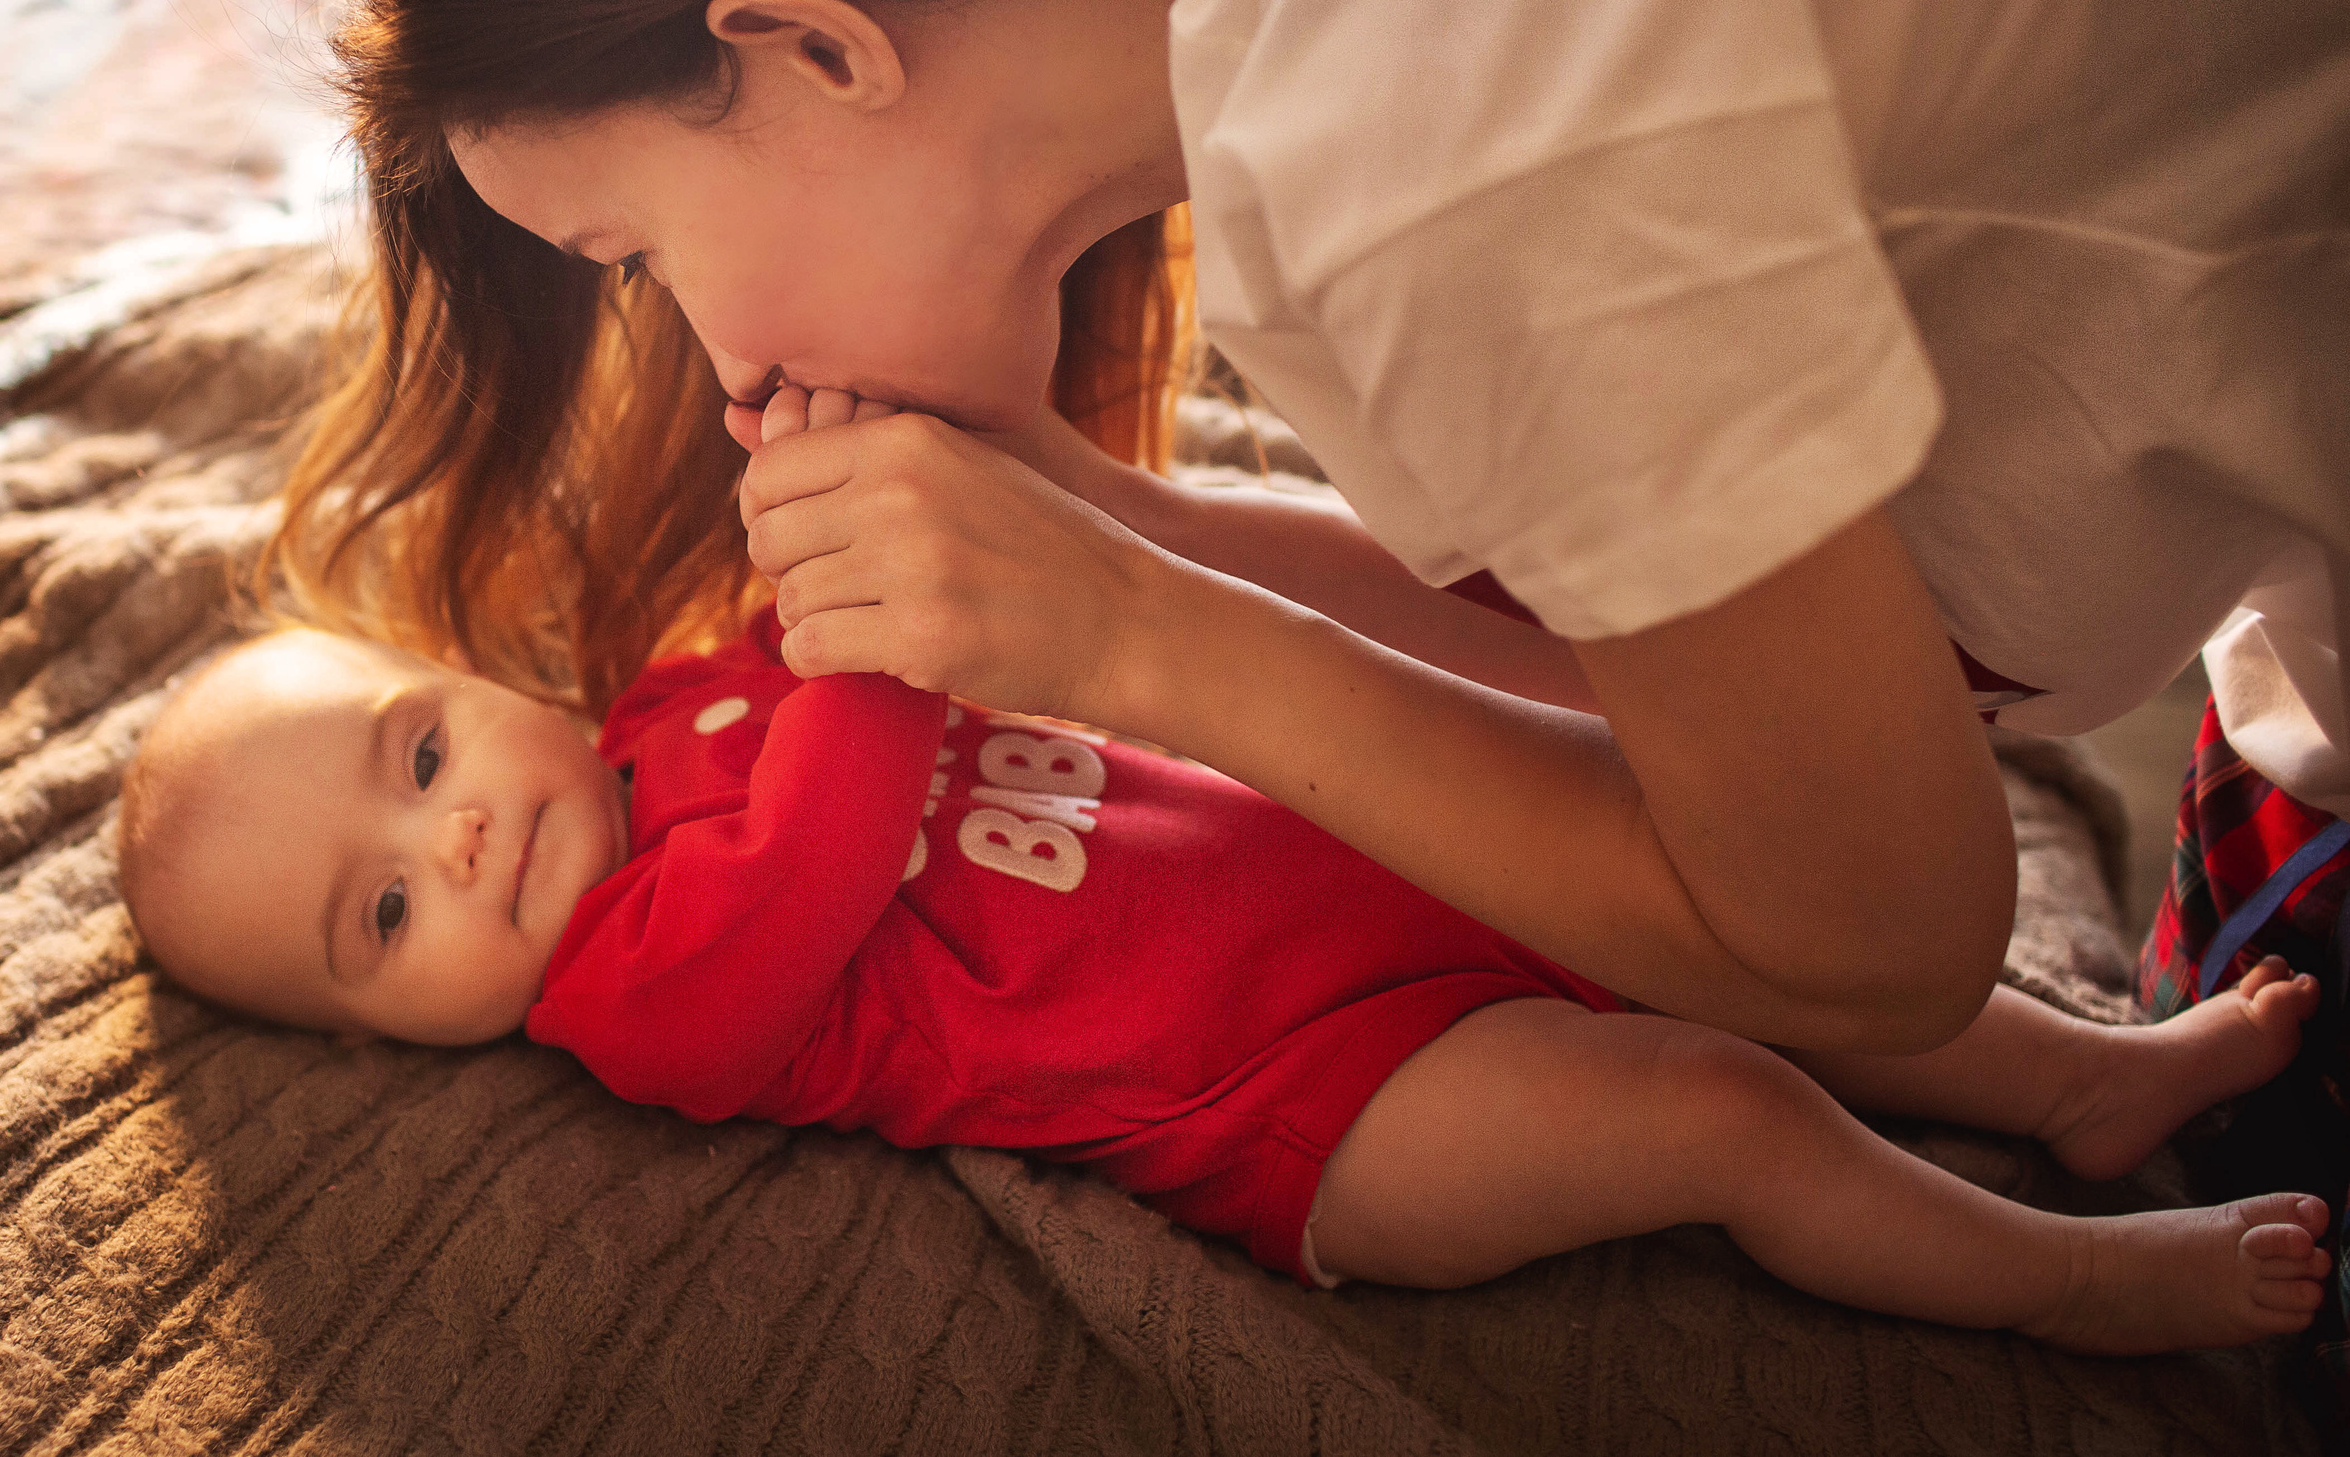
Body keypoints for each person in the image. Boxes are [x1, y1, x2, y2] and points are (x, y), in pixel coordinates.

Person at [269, 0, 2349, 1056]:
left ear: (809, 42)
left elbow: (1877, 928)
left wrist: (1143, 639)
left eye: (634, 260)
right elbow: (1679, 671)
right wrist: (1119, 524)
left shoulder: (1401, 130)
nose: (699, 353)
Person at [114, 612, 2331, 1354]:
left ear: (471, 674)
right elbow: (847, 809)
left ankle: (2071, 1077)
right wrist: (880, 587)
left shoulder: (680, 689)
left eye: (414, 753)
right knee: (1706, 1108)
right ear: (384, 1033)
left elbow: (850, 638)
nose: (454, 837)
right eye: (380, 917)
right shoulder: (631, 991)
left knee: (1759, 933)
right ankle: (2060, 1275)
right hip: (1302, 1100)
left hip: (1369, 872)